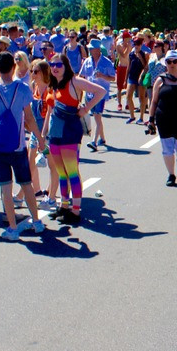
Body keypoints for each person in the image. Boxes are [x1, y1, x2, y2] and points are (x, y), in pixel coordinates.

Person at [0, 51, 46, 240]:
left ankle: (13, 228)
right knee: (26, 184)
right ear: (14, 67)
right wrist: (40, 139)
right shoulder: (23, 89)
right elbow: (30, 119)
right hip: (18, 146)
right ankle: (37, 221)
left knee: (5, 189)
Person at [43, 52, 105, 225]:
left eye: (58, 65)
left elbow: (100, 91)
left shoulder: (74, 81)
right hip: (55, 131)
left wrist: (85, 109)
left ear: (66, 66)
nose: (55, 68)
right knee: (61, 172)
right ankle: (64, 206)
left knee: (71, 172)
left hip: (70, 130)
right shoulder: (53, 83)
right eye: (52, 65)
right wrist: (44, 132)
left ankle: (75, 211)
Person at [148, 52, 177, 186]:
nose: (172, 64)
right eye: (169, 62)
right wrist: (151, 120)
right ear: (165, 64)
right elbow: (154, 101)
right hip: (164, 118)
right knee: (167, 148)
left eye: (174, 61)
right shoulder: (160, 80)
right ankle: (171, 174)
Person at [79, 39, 116, 151]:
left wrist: (102, 76)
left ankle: (94, 142)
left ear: (98, 49)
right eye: (89, 48)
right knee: (96, 117)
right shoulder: (87, 61)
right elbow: (81, 75)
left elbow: (113, 77)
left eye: (92, 48)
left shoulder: (106, 62)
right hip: (89, 94)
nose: (90, 50)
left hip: (100, 93)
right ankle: (102, 139)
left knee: (97, 116)